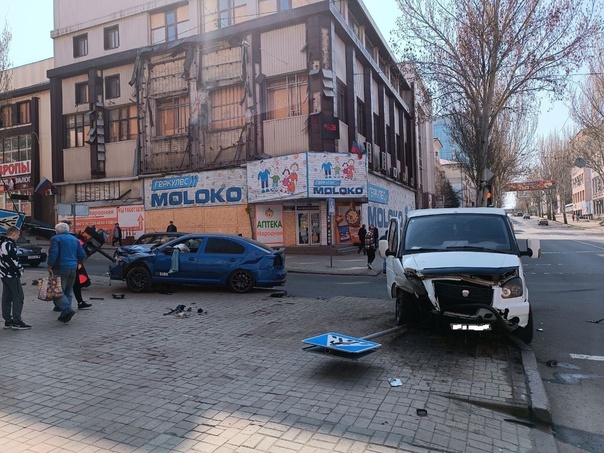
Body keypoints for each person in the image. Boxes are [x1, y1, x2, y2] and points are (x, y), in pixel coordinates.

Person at [47, 222, 86, 324]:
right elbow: (82, 254)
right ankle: (64, 315)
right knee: (68, 291)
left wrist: (50, 265)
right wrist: (77, 262)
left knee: (56, 292)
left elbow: (53, 253)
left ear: (57, 231)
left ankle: (67, 309)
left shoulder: (56, 239)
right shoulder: (75, 239)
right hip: (73, 267)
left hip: (60, 267)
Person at [0, 226, 31, 330]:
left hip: (4, 274)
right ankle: (17, 321)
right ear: (13, 234)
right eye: (18, 235)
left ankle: (8, 320)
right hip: (11, 274)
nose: (18, 237)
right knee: (18, 296)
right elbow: (12, 260)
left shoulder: (3, 243)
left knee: (7, 297)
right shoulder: (9, 244)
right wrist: (20, 269)